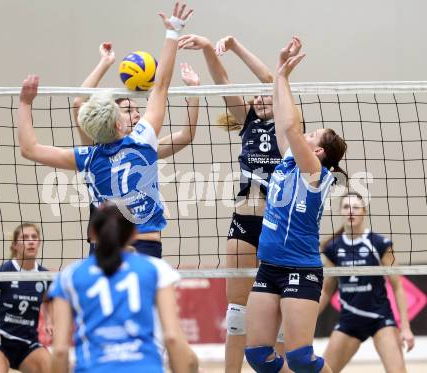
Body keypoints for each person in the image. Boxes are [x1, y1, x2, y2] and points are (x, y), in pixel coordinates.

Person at [17, 2, 194, 259]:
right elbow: (162, 85)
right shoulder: (142, 141)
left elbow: (29, 149)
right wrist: (173, 31)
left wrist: (24, 103)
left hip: (104, 250)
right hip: (144, 245)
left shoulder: (87, 157)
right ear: (119, 124)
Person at [178, 34, 287, 373]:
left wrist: (237, 46)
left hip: (278, 222)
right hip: (244, 220)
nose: (260, 96)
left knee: (279, 308)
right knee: (237, 311)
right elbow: (221, 80)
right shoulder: (248, 122)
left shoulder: (287, 124)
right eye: (254, 96)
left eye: (265, 94)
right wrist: (210, 49)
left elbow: (271, 80)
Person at [244, 37, 347, 373]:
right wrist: (278, 70)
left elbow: (289, 124)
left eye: (313, 135)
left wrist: (285, 78)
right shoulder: (289, 160)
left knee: (301, 359)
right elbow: (282, 117)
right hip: (269, 266)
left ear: (317, 151)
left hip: (301, 269)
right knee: (259, 356)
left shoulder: (315, 173)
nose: (306, 136)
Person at [72, 41, 201, 255]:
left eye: (138, 110)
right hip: (105, 242)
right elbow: (79, 103)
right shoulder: (95, 150)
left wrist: (194, 93)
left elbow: (186, 135)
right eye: (128, 110)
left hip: (141, 240)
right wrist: (105, 63)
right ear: (113, 117)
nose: (137, 114)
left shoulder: (143, 149)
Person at [49, 202, 198, 373]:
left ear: (93, 233)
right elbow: (172, 338)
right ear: (134, 233)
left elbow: (60, 351)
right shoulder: (157, 269)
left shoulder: (69, 276)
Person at [319, 192, 415, 373]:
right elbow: (326, 290)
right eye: (346, 207)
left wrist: (406, 328)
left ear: (364, 212)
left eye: (355, 207)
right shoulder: (333, 248)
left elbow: (398, 287)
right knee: (324, 370)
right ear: (340, 212)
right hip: (349, 320)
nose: (350, 212)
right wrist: (307, 322)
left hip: (380, 319)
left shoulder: (379, 244)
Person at [0, 223, 52, 373]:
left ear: (39, 243)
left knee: (54, 368)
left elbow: (48, 300)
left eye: (34, 237)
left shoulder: (44, 276)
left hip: (28, 345)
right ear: (15, 245)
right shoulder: (2, 272)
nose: (30, 241)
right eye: (24, 237)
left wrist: (49, 321)